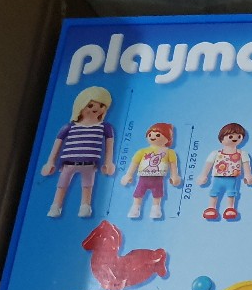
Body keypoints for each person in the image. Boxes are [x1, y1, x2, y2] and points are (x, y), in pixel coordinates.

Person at [40, 86, 115, 218]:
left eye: (101, 105)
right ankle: (56, 206)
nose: (96, 109)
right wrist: (50, 162)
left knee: (87, 186)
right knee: (62, 185)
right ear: (81, 105)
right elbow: (57, 144)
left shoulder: (105, 127)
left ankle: (85, 206)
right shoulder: (69, 127)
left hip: (90, 164)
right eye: (90, 105)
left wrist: (109, 162)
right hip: (68, 164)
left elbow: (109, 145)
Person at [121, 123, 182, 220]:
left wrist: (174, 176)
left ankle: (156, 209)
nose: (153, 137)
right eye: (150, 134)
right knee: (138, 193)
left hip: (158, 178)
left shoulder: (169, 152)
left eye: (157, 135)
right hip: (143, 178)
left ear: (168, 138)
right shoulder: (142, 151)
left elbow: (173, 165)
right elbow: (134, 163)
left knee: (157, 194)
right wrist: (128, 174)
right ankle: (135, 208)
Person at [197, 123, 252, 221]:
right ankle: (211, 207)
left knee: (231, 193)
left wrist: (248, 175)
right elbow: (208, 164)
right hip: (218, 178)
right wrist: (203, 175)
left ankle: (230, 208)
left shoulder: (242, 153)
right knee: (214, 192)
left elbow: (246, 165)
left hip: (232, 178)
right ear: (222, 137)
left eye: (239, 136)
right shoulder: (215, 153)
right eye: (231, 136)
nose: (234, 138)